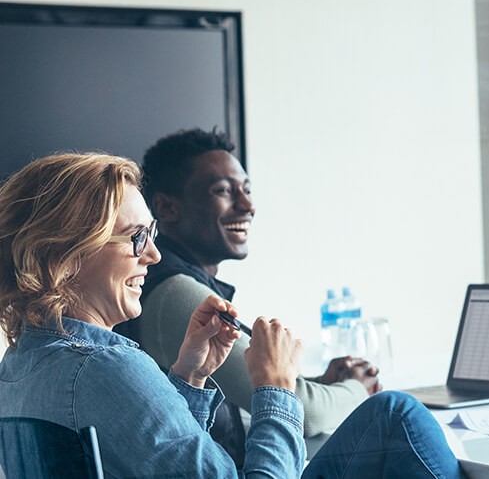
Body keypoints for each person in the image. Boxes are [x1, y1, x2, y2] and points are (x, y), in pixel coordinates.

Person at [0, 153, 461, 477]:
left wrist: (189, 377)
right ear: (66, 257)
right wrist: (276, 387)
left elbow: (161, 464)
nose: (154, 255)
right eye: (136, 238)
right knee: (396, 412)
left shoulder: (20, 365)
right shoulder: (106, 368)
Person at [114, 128, 377, 465]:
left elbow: (264, 386)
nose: (248, 205)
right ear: (166, 207)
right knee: (396, 411)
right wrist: (359, 388)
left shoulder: (181, 284)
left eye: (247, 190)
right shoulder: (173, 294)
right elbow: (304, 412)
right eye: (223, 191)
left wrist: (320, 382)